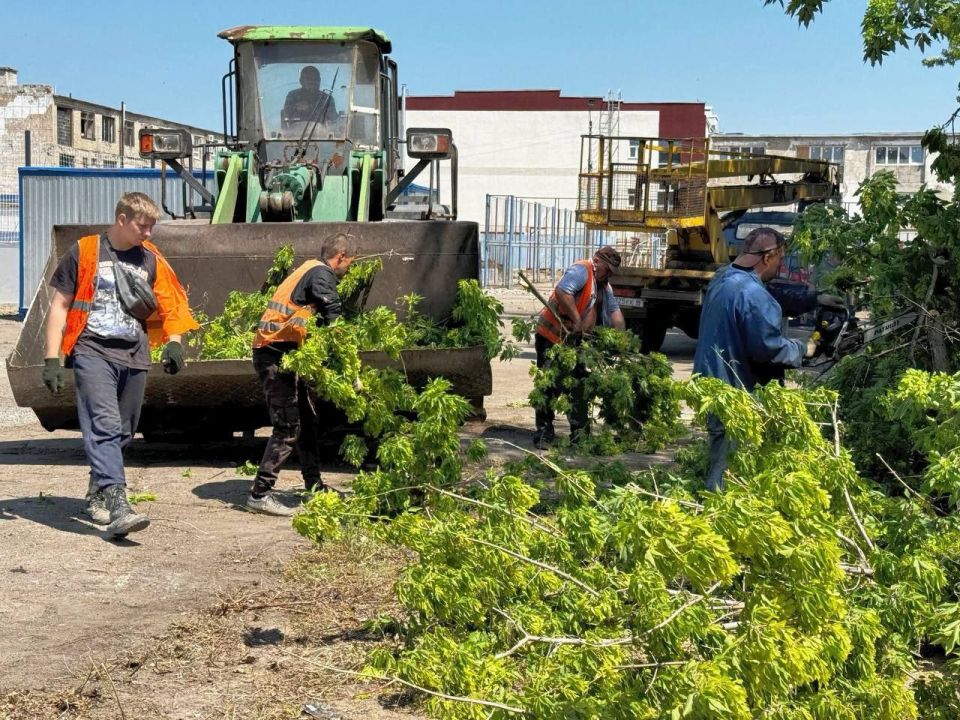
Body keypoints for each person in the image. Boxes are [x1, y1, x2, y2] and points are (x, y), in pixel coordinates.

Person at [43, 192, 198, 538]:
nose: (148, 233)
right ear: (122, 219)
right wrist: (52, 358)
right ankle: (119, 505)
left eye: (152, 227)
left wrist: (174, 343)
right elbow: (60, 305)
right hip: (91, 349)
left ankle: (98, 489)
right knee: (105, 425)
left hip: (135, 354)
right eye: (143, 226)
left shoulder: (151, 258)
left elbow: (172, 304)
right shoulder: (85, 251)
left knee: (124, 431)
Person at [693, 227, 841, 491]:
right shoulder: (753, 295)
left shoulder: (723, 277)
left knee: (725, 456)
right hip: (738, 394)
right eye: (780, 259)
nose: (780, 266)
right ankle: (714, 508)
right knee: (729, 471)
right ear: (767, 257)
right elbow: (767, 348)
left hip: (714, 386)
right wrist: (803, 348)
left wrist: (814, 299)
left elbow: (771, 292)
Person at [247, 233, 354, 516]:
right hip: (275, 355)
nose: (349, 270)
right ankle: (260, 494)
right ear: (340, 257)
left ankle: (313, 484)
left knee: (305, 420)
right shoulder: (321, 274)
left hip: (285, 353)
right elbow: (332, 314)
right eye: (349, 264)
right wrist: (349, 366)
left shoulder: (309, 268)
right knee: (287, 426)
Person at [533, 245, 625, 448]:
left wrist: (622, 340)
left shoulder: (604, 286)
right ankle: (544, 432)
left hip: (576, 343)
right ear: (597, 261)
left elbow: (615, 313)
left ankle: (580, 433)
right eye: (607, 269)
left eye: (612, 272)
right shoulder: (582, 270)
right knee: (549, 384)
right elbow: (563, 291)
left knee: (579, 384)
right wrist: (576, 320)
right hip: (552, 337)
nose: (609, 274)